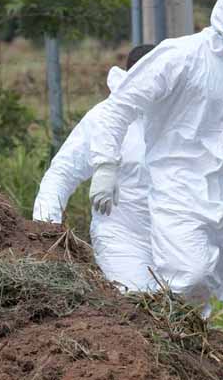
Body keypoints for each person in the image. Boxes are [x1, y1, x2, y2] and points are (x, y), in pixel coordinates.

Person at [87, 0, 223, 344]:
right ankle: (183, 349)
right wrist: (105, 165)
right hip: (179, 186)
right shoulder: (179, 57)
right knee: (189, 276)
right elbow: (119, 107)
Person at [33, 44, 155, 292]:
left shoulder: (183, 115)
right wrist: (47, 228)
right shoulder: (103, 118)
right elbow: (63, 172)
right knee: (136, 300)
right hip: (123, 238)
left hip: (177, 237)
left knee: (189, 300)